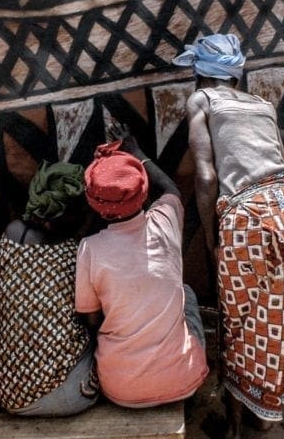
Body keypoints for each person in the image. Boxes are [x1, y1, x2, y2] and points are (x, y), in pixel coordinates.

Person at [174, 33, 284, 439]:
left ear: (199, 74)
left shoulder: (201, 101)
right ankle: (267, 411)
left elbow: (206, 175)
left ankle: (237, 424)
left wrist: (210, 235)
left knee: (239, 323)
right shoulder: (262, 105)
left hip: (252, 218)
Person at [75, 132, 208, 409]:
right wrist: (137, 153)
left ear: (95, 204)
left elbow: (90, 319)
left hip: (119, 388)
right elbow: (171, 190)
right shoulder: (166, 221)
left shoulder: (89, 249)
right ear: (144, 191)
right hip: (182, 381)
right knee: (186, 294)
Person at [0, 161, 99, 417]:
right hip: (62, 396)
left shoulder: (12, 236)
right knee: (101, 336)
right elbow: (90, 321)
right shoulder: (75, 255)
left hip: (3, 390)